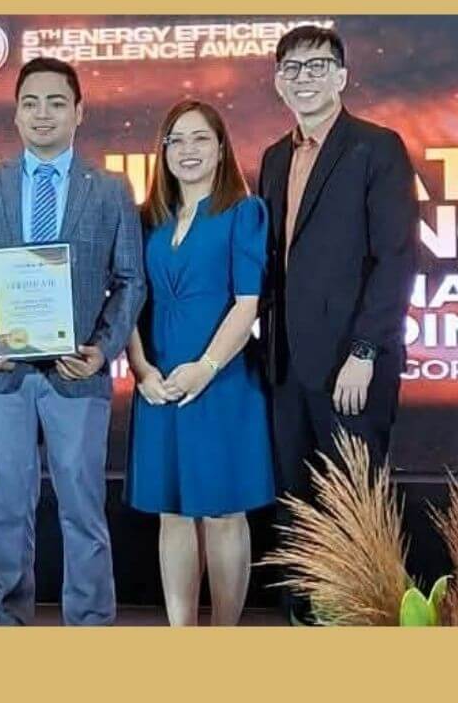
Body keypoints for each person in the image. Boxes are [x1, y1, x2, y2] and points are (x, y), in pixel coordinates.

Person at [0, 57, 146, 626]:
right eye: (31, 102)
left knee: (83, 508)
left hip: (77, 374)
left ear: (79, 112)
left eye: (57, 102)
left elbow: (131, 279)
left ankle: (90, 624)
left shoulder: (109, 190)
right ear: (15, 112)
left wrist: (102, 351)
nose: (43, 113)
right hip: (2, 373)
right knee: (9, 506)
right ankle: (8, 623)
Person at [257, 25, 418, 620]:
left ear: (343, 76)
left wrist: (366, 350)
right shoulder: (275, 158)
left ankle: (361, 625)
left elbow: (397, 257)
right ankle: (309, 620)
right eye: (293, 68)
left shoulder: (377, 147)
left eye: (318, 65)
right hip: (283, 366)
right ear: (278, 82)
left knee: (354, 503)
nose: (305, 78)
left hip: (351, 364)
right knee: (298, 504)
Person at [124, 100, 275, 626]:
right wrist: (142, 371)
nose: (187, 151)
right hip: (160, 380)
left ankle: (223, 638)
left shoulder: (243, 212)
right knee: (173, 511)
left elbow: (247, 304)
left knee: (222, 511)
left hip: (223, 379)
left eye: (200, 139)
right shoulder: (149, 221)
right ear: (163, 151)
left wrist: (206, 367)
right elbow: (130, 303)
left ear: (220, 148)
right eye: (177, 140)